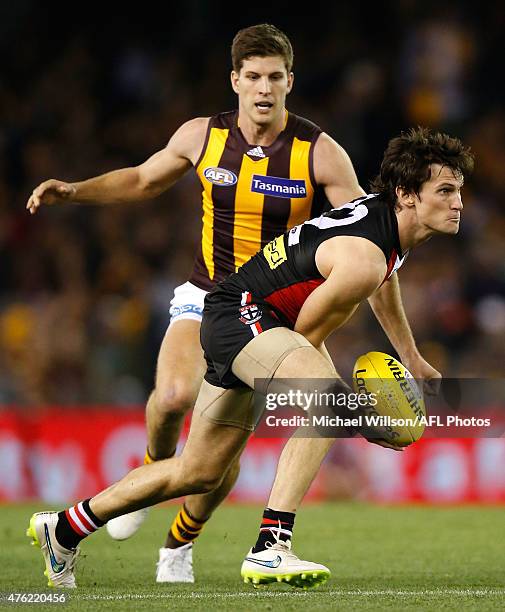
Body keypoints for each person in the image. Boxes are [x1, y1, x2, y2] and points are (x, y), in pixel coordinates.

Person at [27, 127, 474, 589]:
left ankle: (64, 528)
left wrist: (410, 356)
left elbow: (384, 279)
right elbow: (305, 331)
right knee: (329, 406)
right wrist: (360, 418)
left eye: (458, 190)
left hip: (243, 316)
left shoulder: (382, 228)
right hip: (244, 316)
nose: (458, 202)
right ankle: (271, 546)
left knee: (196, 472)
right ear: (406, 195)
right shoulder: (364, 258)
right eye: (444, 190)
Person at [26, 24, 372, 583]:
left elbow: (365, 239)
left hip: (272, 314)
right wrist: (76, 190)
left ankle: (177, 545)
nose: (264, 89)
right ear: (235, 80)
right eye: (253, 77)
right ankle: (147, 479)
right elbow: (142, 180)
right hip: (206, 295)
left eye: (275, 77)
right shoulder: (201, 136)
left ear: (290, 82)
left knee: (212, 465)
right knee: (171, 397)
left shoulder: (321, 153)